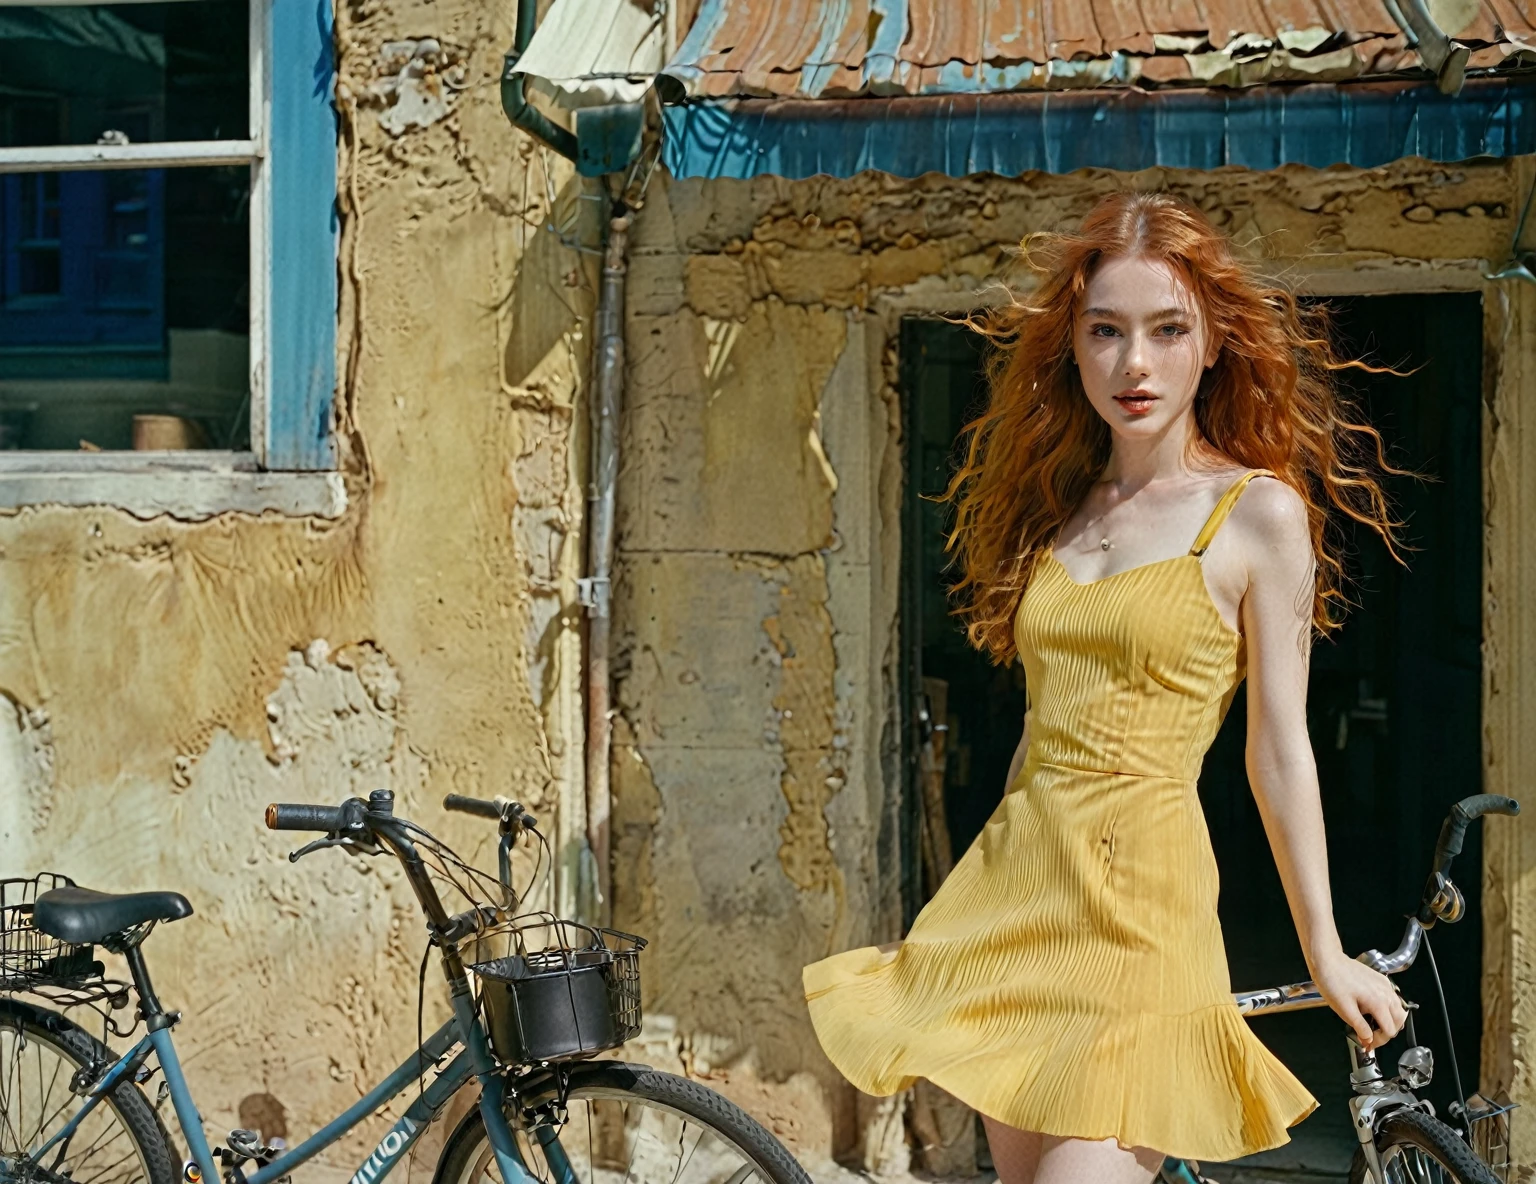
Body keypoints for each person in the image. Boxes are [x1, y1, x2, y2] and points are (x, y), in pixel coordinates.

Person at [802, 192, 1409, 1184]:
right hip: (1017, 904)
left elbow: (1279, 750)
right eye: (1107, 332)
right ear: (1073, 350)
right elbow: (1042, 732)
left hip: (1142, 914)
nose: (1136, 363)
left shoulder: (1255, 515)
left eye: (1168, 330)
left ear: (1213, 344)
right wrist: (966, 908)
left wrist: (1326, 947)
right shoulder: (1066, 513)